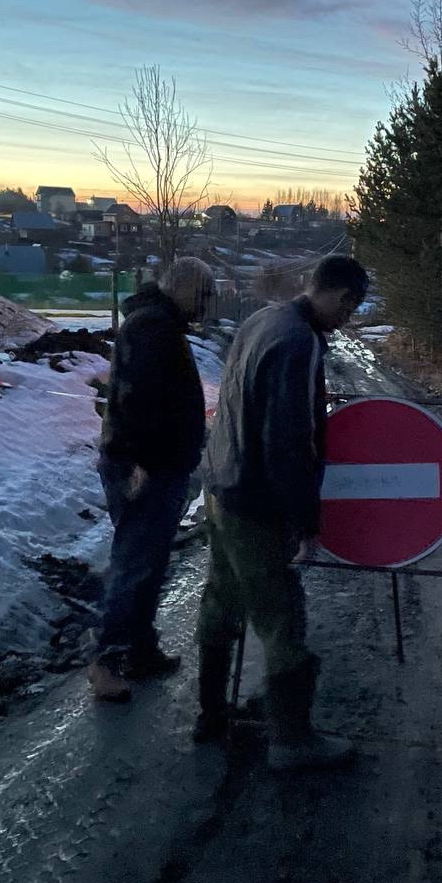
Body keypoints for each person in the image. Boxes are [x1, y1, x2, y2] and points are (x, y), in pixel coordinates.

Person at [196, 254, 370, 772]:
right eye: (350, 310)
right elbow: (287, 442)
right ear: (341, 298)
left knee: (221, 601)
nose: (347, 322)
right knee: (282, 618)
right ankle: (292, 740)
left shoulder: (263, 320)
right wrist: (306, 522)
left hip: (223, 488)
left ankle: (211, 715)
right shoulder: (298, 342)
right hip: (256, 504)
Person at [88, 257, 214, 702]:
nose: (206, 306)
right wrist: (138, 463)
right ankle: (106, 661)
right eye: (203, 296)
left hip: (156, 464)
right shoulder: (152, 329)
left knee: (149, 562)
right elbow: (136, 400)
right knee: (135, 563)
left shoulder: (157, 324)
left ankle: (140, 650)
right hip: (144, 468)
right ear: (183, 290)